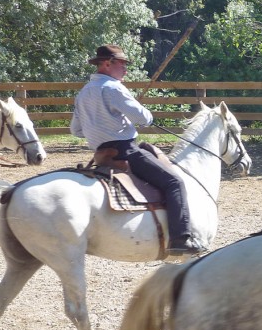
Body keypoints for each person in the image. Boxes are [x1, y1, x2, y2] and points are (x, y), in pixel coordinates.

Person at [70, 44, 202, 256]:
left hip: (101, 155)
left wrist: (100, 128)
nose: (126, 69)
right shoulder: (113, 88)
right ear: (107, 63)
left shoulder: (84, 93)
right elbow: (143, 118)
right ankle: (180, 239)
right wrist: (144, 115)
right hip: (125, 151)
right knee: (174, 183)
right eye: (122, 64)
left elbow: (76, 130)